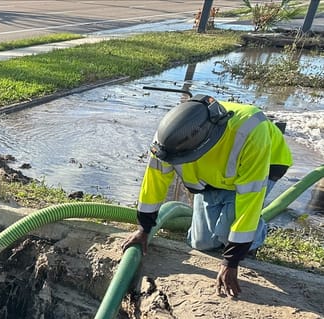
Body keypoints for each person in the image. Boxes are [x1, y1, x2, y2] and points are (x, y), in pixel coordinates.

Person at [122, 94, 292, 298]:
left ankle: (257, 234)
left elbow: (250, 199)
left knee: (225, 234)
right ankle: (232, 226)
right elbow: (154, 183)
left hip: (260, 169)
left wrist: (231, 260)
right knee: (201, 243)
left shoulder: (251, 132)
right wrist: (144, 228)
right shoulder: (169, 139)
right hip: (212, 178)